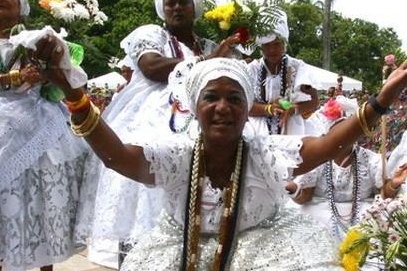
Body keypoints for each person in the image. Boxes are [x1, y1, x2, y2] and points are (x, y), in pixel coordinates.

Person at [29, 33, 407, 270]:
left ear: (248, 109)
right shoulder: (177, 156)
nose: (222, 107)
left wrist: (381, 100)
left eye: (234, 99)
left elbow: (328, 145)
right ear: (194, 107)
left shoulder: (265, 153)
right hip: (175, 250)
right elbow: (118, 157)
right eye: (211, 97)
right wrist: (73, 93)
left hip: (265, 247)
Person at [73, 0, 239, 268]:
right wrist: (207, 61)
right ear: (162, 9)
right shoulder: (151, 34)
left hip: (199, 120)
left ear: (194, 8)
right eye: (170, 2)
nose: (176, 7)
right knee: (141, 202)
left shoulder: (209, 43)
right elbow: (151, 68)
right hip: (150, 120)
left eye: (183, 1)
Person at [0, 0, 88, 271]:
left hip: (36, 124)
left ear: (20, 5)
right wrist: (11, 78)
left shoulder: (37, 39)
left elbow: (61, 74)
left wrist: (47, 68)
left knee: (40, 201)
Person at [285, 96, 407, 243]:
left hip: (362, 217)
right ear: (328, 134)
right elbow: (305, 197)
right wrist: (293, 189)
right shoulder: (317, 160)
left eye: (348, 132)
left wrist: (394, 183)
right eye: (338, 133)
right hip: (321, 216)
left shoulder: (372, 159)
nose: (344, 137)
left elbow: (384, 194)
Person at [247, 11, 320, 135]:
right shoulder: (251, 69)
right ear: (261, 46)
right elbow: (243, 106)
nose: (272, 49)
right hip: (257, 134)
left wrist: (292, 110)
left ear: (284, 43)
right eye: (267, 45)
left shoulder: (298, 67)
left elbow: (314, 102)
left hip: (293, 132)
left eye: (277, 44)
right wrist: (268, 108)